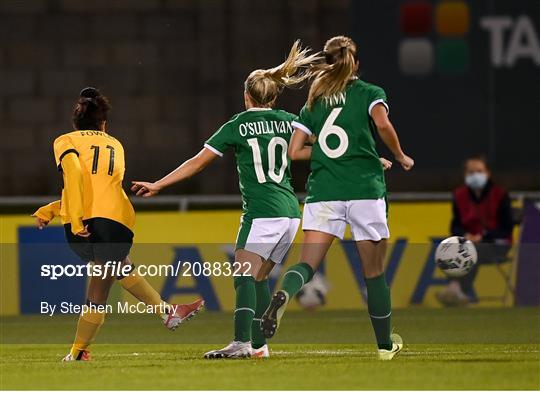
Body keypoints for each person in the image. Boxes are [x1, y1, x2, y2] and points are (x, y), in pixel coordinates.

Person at [131, 41, 321, 359]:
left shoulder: (239, 125)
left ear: (247, 96)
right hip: (290, 211)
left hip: (261, 210)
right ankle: (259, 346)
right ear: (274, 96)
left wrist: (159, 184)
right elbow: (327, 144)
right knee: (259, 278)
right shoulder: (291, 122)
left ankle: (242, 342)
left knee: (244, 275)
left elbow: (198, 161)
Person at [260, 35, 414, 361]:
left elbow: (295, 150)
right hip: (364, 192)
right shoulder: (369, 93)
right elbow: (382, 124)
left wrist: (336, 156)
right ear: (355, 62)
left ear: (328, 64)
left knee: (306, 264)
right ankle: (385, 347)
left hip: (325, 192)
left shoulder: (313, 102)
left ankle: (284, 295)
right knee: (374, 274)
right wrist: (398, 155)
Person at [33, 87, 204, 362]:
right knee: (114, 272)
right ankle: (165, 313)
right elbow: (97, 187)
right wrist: (54, 209)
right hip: (118, 222)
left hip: (87, 223)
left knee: (100, 289)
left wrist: (69, 215)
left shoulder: (65, 140)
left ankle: (78, 353)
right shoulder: (115, 144)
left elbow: (76, 178)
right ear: (103, 124)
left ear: (75, 122)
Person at [437, 155, 513, 306]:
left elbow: (506, 229)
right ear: (465, 175)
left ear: (487, 173)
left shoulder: (500, 195)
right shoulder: (459, 195)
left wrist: (483, 236)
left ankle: (458, 290)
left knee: (471, 251)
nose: (475, 175)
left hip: (497, 244)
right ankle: (457, 290)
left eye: (479, 171)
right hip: (468, 242)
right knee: (450, 247)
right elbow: (455, 226)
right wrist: (466, 235)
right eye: (471, 172)